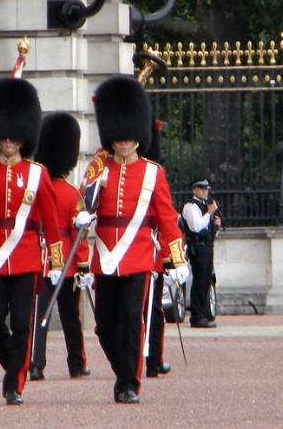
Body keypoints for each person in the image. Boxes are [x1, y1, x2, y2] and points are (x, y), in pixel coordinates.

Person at [76, 76, 189, 404]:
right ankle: (124, 368)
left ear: (138, 137)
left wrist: (176, 257)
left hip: (138, 255)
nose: (123, 143)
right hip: (106, 254)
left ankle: (128, 382)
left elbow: (167, 218)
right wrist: (82, 213)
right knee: (104, 325)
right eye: (118, 138)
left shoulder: (154, 173)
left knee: (130, 317)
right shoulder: (100, 168)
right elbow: (82, 204)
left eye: (128, 138)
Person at [0, 77, 63, 406]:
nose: (8, 141)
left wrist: (58, 262)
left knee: (21, 322)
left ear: (23, 138)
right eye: (3, 135)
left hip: (26, 255)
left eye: (14, 136)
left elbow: (50, 219)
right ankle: (15, 368)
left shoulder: (37, 173)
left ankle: (14, 384)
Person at [29, 112, 91, 381]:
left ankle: (35, 364)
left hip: (41, 262)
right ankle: (76, 364)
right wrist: (83, 265)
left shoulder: (34, 191)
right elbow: (80, 235)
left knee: (38, 317)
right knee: (71, 318)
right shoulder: (72, 194)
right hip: (67, 265)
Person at [143, 120, 172, 377]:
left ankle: (153, 358)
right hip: (147, 252)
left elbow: (165, 219)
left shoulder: (152, 174)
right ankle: (152, 359)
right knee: (151, 310)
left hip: (150, 251)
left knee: (150, 309)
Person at [181, 178, 221, 328]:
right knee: (199, 281)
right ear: (194, 190)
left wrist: (216, 226)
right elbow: (196, 226)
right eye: (201, 188)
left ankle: (203, 313)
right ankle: (197, 316)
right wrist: (209, 213)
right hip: (197, 248)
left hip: (207, 246)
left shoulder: (205, 206)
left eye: (206, 189)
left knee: (206, 281)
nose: (205, 191)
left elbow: (208, 230)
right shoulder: (190, 206)